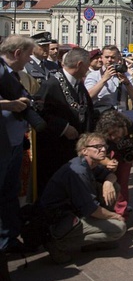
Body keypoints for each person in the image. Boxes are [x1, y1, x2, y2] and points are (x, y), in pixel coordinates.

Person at [38, 133, 127, 264]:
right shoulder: (78, 171)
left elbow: (110, 176)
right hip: (59, 219)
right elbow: (91, 209)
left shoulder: (90, 164)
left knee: (114, 186)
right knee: (119, 228)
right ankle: (57, 244)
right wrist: (114, 216)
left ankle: (91, 242)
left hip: (76, 210)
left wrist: (108, 182)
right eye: (97, 147)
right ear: (84, 150)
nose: (103, 150)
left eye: (104, 146)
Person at [34, 47, 96, 197]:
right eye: (87, 65)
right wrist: (63, 127)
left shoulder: (78, 84)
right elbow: (39, 113)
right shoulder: (51, 84)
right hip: (55, 150)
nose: (88, 70)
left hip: (75, 148)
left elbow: (87, 110)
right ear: (80, 64)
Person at [0, 35, 35, 253]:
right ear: (17, 53)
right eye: (28, 55)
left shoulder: (14, 74)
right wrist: (9, 104)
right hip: (2, 143)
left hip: (13, 141)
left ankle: (9, 240)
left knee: (9, 193)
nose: (29, 60)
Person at [85, 45, 133, 113]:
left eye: (113, 57)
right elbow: (88, 96)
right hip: (100, 115)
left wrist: (127, 83)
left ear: (118, 58)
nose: (110, 60)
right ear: (101, 58)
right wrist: (104, 80)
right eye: (107, 57)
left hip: (121, 115)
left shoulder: (125, 75)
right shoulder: (94, 75)